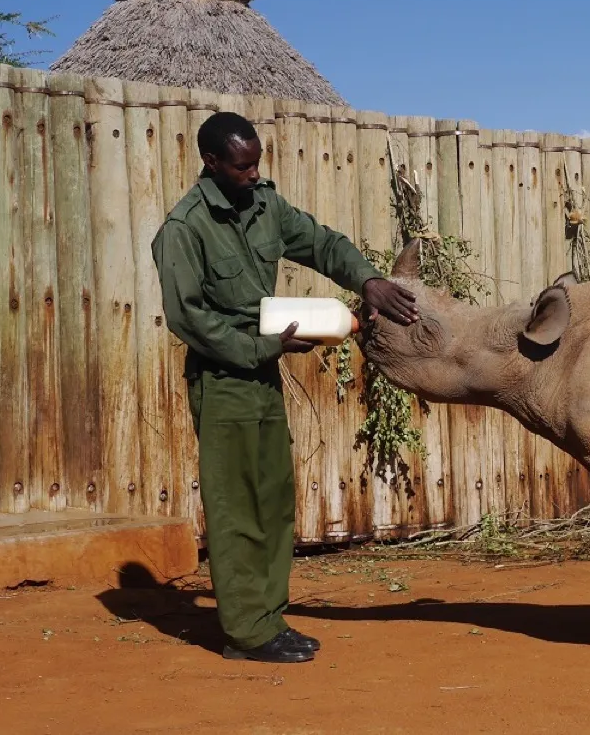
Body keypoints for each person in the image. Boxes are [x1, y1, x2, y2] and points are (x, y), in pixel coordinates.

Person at [151, 111, 420, 664]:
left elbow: (319, 243)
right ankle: (246, 635)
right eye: (241, 166)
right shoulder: (184, 229)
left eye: (257, 163)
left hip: (264, 376)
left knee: (273, 501)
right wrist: (260, 349)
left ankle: (267, 619)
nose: (252, 175)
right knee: (237, 506)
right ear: (212, 163)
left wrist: (367, 279)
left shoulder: (265, 205)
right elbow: (189, 317)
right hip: (225, 379)